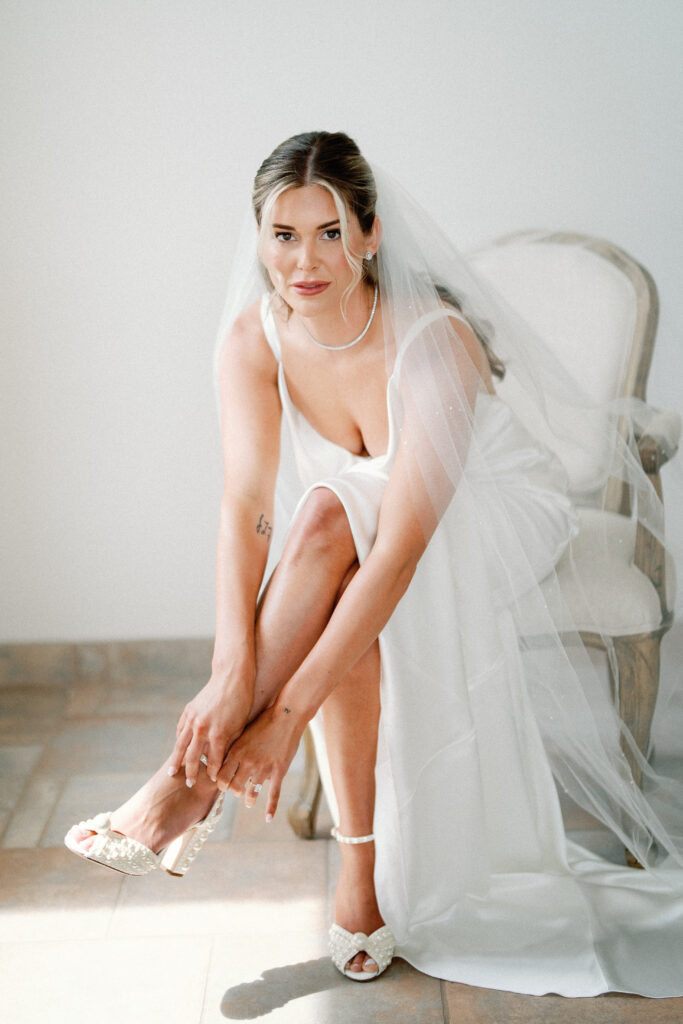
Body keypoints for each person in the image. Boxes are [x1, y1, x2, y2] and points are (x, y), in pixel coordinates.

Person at [66, 131, 683, 995]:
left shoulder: (434, 342)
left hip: (495, 509)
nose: (305, 261)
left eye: (329, 233)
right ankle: (343, 872)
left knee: (332, 520)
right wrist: (227, 677)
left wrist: (284, 719)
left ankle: (183, 786)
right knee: (331, 534)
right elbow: (245, 508)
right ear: (258, 239)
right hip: (356, 531)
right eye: (284, 235)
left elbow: (401, 547)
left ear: (369, 234)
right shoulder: (253, 338)